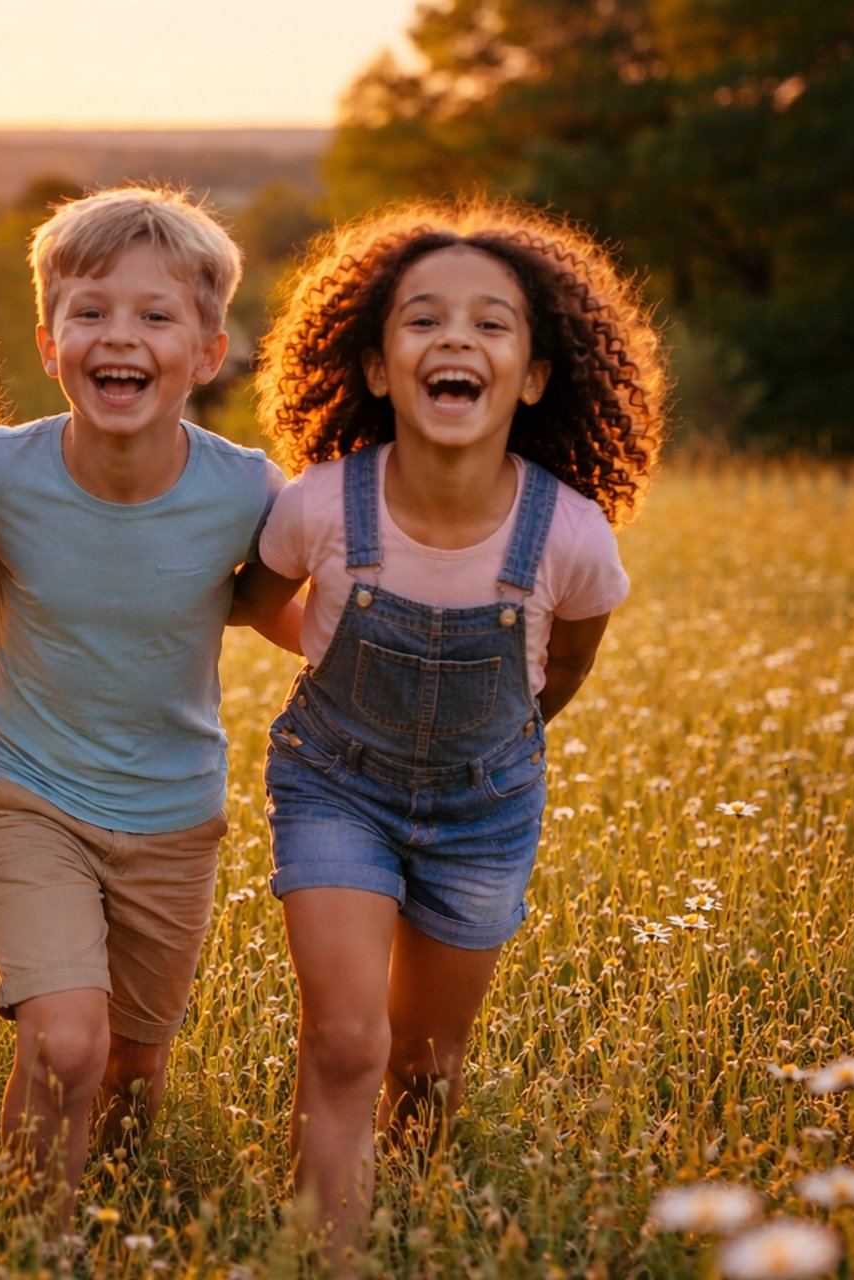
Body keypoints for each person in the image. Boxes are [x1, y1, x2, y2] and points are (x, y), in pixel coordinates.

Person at [249, 197, 666, 1258]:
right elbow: (257, 601)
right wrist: (331, 648)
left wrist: (489, 750)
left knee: (427, 1063)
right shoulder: (320, 504)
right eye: (424, 319)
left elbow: (561, 669)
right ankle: (327, 1255)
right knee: (348, 1039)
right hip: (335, 787)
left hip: (484, 812)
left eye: (491, 323)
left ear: (533, 376)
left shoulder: (571, 536)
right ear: (376, 367)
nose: (456, 339)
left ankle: (411, 1220)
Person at [0, 186, 296, 1213]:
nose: (120, 335)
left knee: (134, 1066)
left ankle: (119, 1213)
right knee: (66, 1042)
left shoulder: (247, 491)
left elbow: (261, 597)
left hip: (173, 811)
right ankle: (32, 1239)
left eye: (156, 315)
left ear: (208, 352)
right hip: (23, 787)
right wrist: (16, 598)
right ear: (50, 341)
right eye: (91, 311)